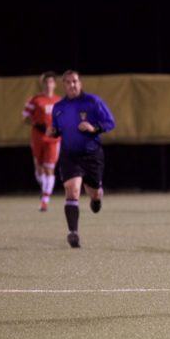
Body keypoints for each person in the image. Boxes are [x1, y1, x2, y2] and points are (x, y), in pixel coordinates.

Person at [51, 70, 116, 248]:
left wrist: (94, 128)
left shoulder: (93, 102)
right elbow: (57, 129)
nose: (72, 85)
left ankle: (96, 198)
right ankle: (73, 233)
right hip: (70, 156)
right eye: (68, 82)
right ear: (63, 85)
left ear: (80, 83)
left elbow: (111, 122)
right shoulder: (58, 108)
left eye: (75, 81)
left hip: (92, 155)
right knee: (72, 191)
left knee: (93, 192)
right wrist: (54, 132)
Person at [22, 71, 61, 211]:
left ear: (55, 84)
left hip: (53, 140)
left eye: (51, 82)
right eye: (46, 82)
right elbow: (25, 117)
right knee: (39, 169)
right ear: (42, 84)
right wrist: (37, 124)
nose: (48, 85)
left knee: (49, 168)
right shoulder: (35, 100)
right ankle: (44, 189)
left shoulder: (60, 101)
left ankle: (45, 200)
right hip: (37, 137)